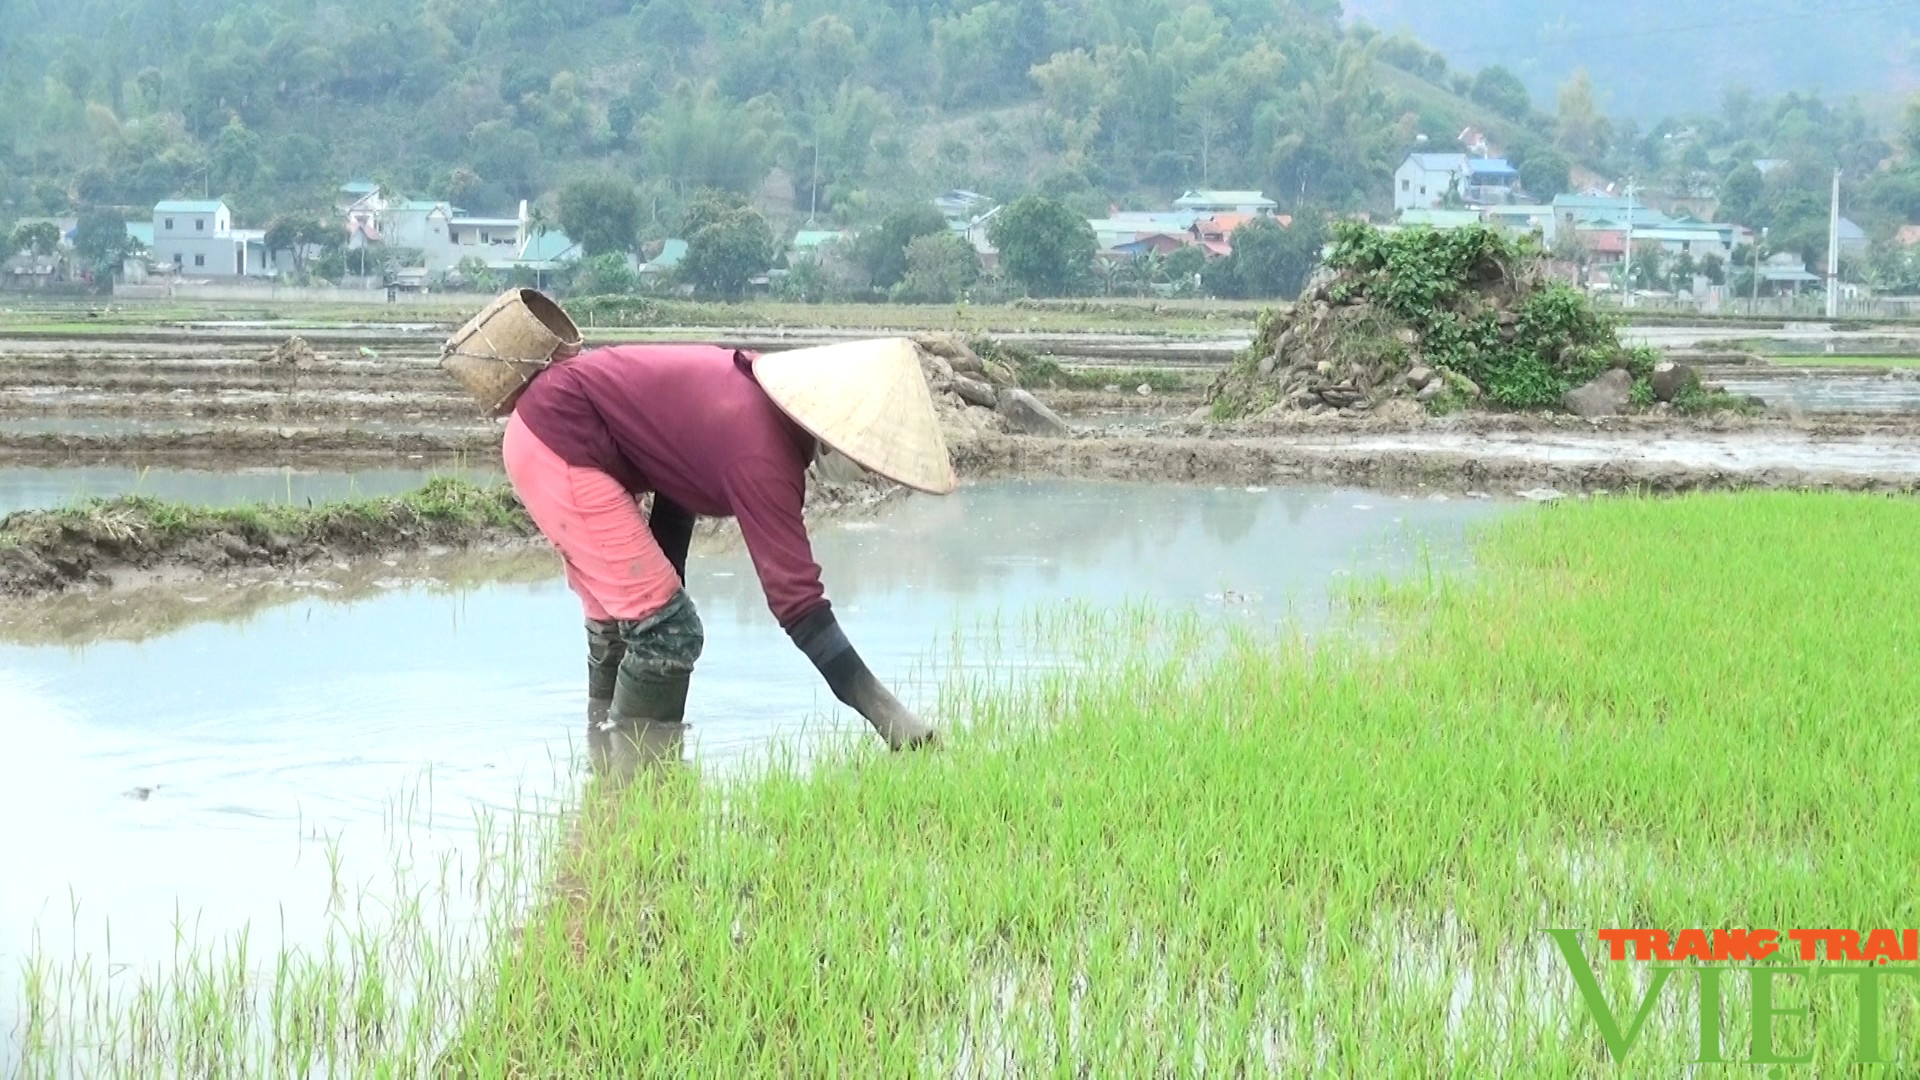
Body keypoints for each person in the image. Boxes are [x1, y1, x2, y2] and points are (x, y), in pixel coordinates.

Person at [485, 323, 956, 779]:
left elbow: (677, 477)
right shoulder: (761, 452)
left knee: (631, 620)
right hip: (559, 445)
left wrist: (666, 587)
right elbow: (798, 604)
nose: (867, 469)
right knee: (668, 633)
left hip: (551, 436)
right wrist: (890, 717)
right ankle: (636, 783)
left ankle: (602, 750)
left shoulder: (755, 395)